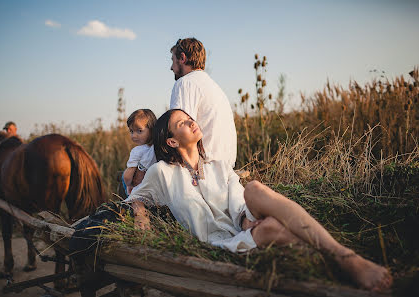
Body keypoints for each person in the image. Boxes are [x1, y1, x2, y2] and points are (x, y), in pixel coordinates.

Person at [126, 109, 392, 291]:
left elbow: (238, 202)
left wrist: (245, 221)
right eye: (181, 123)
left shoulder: (219, 166)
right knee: (272, 229)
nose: (191, 122)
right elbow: (134, 198)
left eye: (189, 118)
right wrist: (140, 214)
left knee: (252, 188)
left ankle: (346, 258)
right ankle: (338, 264)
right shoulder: (162, 173)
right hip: (217, 245)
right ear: (171, 141)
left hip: (243, 230)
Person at [169, 38, 237, 168]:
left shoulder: (185, 83)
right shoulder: (213, 86)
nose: (171, 67)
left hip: (204, 167)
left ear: (182, 58)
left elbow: (178, 133)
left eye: (172, 60)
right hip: (226, 166)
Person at [122, 109, 157, 195]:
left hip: (141, 190)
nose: (134, 136)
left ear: (151, 129)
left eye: (139, 131)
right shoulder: (159, 147)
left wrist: (128, 184)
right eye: (131, 131)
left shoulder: (136, 151)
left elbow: (128, 176)